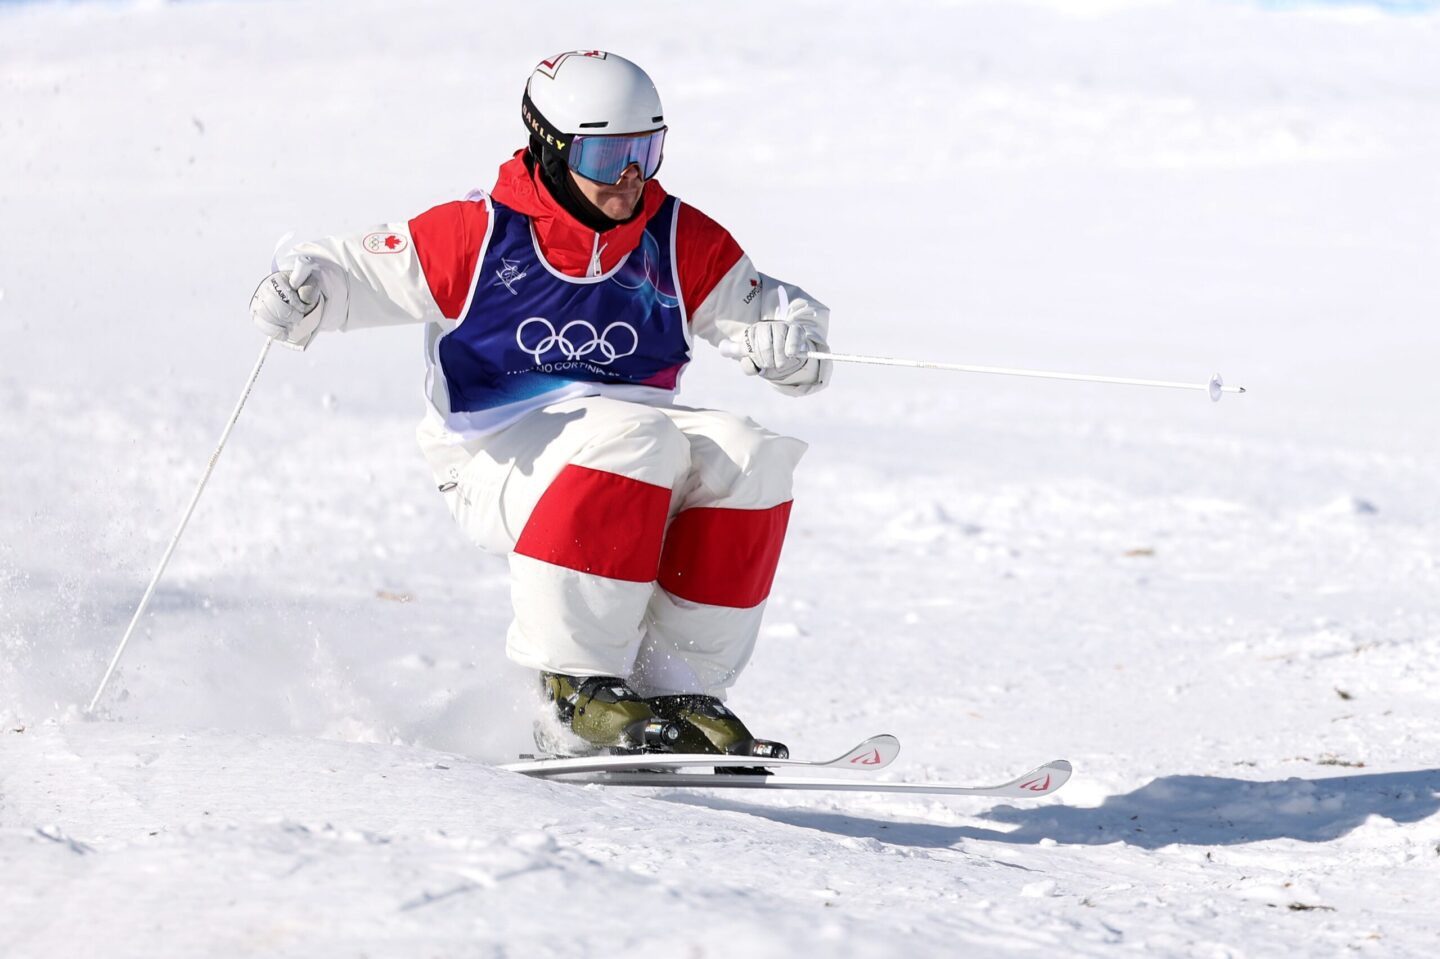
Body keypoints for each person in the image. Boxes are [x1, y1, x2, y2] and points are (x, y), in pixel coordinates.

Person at [249, 50, 831, 758]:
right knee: (635, 437)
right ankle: (572, 687)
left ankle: (678, 686)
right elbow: (353, 272)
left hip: (631, 453)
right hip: (494, 457)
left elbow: (776, 314)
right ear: (552, 149)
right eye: (607, 155)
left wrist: (792, 345)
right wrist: (304, 291)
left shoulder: (676, 238)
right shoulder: (481, 233)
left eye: (647, 150)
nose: (631, 176)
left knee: (750, 454)